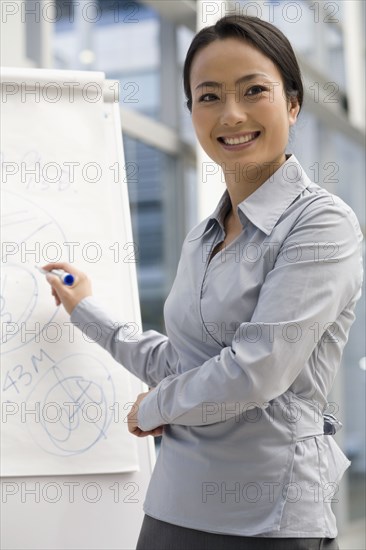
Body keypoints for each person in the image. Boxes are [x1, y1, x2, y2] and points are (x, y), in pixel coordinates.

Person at [44, 14, 363, 550]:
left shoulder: (322, 222)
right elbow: (181, 363)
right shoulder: (202, 237)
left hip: (267, 516)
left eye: (253, 90)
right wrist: (85, 310)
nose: (231, 114)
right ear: (192, 112)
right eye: (209, 96)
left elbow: (256, 369)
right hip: (173, 504)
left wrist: (155, 407)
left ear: (292, 102)